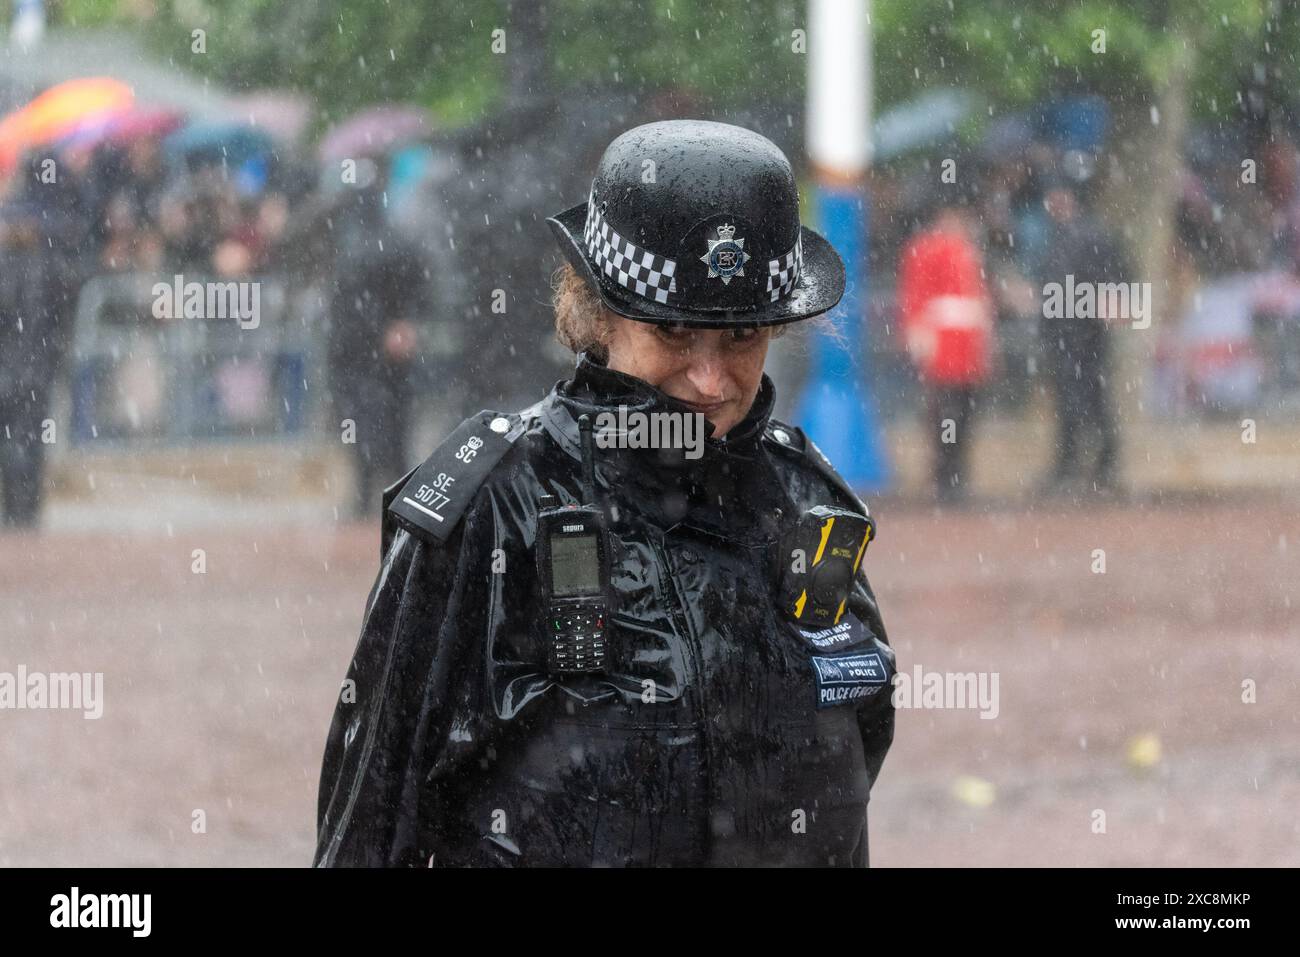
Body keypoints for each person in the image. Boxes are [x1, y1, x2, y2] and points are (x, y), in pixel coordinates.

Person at [313, 119, 896, 867]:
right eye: (676, 334)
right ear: (598, 314)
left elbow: (851, 766)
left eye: (743, 336)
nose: (712, 380)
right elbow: (372, 813)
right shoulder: (493, 503)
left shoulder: (809, 508)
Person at [897, 197, 994, 503]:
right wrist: (919, 334)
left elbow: (978, 298)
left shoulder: (967, 248)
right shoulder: (926, 248)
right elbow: (916, 294)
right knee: (944, 412)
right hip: (944, 344)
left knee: (964, 411)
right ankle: (943, 475)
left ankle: (957, 474)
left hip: (967, 346)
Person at [1036, 179, 1130, 495]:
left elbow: (1113, 279)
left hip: (1085, 334)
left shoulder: (1089, 236)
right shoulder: (1061, 237)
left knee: (1089, 400)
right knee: (1072, 401)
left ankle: (1099, 465)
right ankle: (1079, 465)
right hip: (1065, 333)